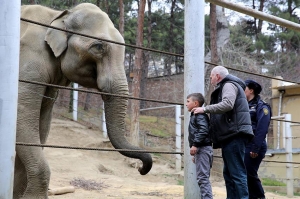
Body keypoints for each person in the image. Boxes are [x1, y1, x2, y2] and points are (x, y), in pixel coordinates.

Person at [193, 65, 254, 199]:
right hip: (231, 135)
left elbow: (227, 104)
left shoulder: (228, 85)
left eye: (211, 77)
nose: (210, 79)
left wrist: (205, 109)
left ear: (218, 76)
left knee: (237, 173)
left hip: (234, 135)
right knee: (229, 174)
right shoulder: (228, 85)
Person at [244, 80, 272, 199]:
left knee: (249, 173)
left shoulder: (262, 106)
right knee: (244, 174)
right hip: (245, 144)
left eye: (244, 88)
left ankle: (259, 197)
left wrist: (256, 147)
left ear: (251, 90)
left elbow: (262, 128)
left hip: (255, 145)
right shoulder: (244, 105)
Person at [186, 93, 213, 199]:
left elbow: (203, 130)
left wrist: (195, 145)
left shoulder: (199, 115)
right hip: (202, 149)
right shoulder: (195, 115)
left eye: (188, 101)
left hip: (203, 148)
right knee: (202, 178)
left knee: (202, 178)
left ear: (195, 103)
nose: (186, 104)